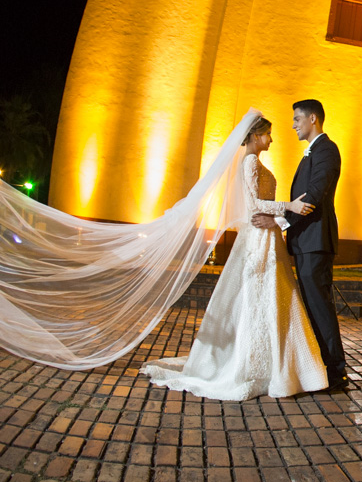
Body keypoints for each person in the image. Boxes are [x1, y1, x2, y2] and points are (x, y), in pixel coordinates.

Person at [140, 117, 329, 399]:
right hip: (258, 236)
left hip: (267, 234)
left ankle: (275, 361)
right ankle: (254, 363)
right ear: (255, 136)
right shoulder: (250, 162)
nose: (271, 139)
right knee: (259, 295)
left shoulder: (253, 161)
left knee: (272, 296)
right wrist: (288, 207)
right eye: (268, 134)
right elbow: (253, 204)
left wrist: (279, 218)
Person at [252, 99, 348, 390]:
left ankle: (336, 372)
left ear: (313, 119)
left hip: (315, 241)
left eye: (297, 119)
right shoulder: (313, 152)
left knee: (320, 307)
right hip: (306, 241)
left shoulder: (326, 150)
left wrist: (279, 222)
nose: (293, 125)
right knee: (313, 306)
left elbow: (315, 194)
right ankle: (320, 368)